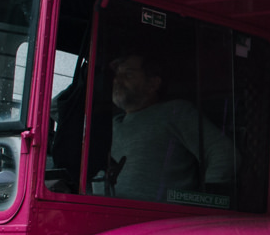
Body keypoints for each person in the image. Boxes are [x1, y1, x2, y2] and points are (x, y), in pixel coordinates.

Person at [99, 51, 238, 204]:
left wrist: (209, 201)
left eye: (128, 75)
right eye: (117, 75)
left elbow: (224, 152)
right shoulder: (112, 125)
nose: (117, 81)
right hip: (110, 214)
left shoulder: (174, 112)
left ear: (153, 84)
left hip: (160, 222)